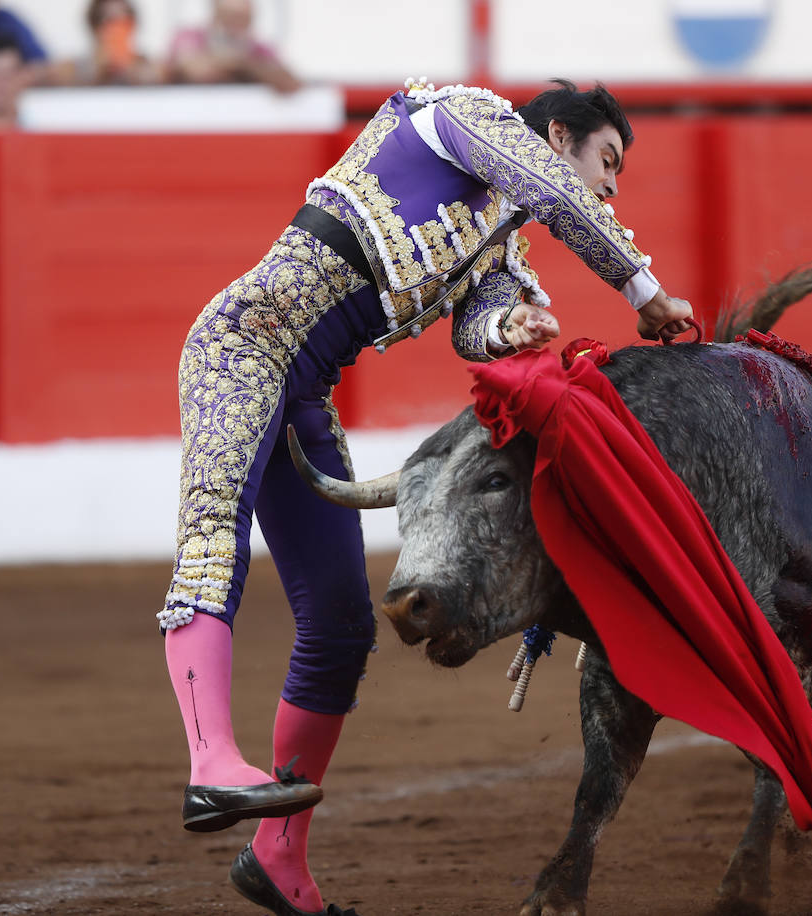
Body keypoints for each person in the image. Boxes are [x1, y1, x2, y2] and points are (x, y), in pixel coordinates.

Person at [158, 77, 694, 916]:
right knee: (212, 536)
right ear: (558, 136)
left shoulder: (497, 246)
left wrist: (509, 330)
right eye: (608, 159)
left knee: (339, 624)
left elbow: (478, 325)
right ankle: (210, 762)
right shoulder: (458, 116)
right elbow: (554, 194)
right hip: (238, 347)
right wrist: (642, 290)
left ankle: (279, 859)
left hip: (302, 397)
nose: (612, 184)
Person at [165, 0, 301, 92]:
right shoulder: (189, 37)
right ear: (216, 16)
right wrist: (250, 69)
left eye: (244, 19)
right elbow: (198, 71)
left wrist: (236, 65)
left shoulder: (260, 49)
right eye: (231, 18)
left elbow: (288, 82)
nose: (237, 27)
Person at [50, 0, 161, 86]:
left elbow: (159, 75)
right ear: (95, 27)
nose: (118, 30)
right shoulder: (74, 67)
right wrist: (96, 74)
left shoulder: (145, 63)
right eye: (110, 22)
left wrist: (134, 73)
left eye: (125, 22)